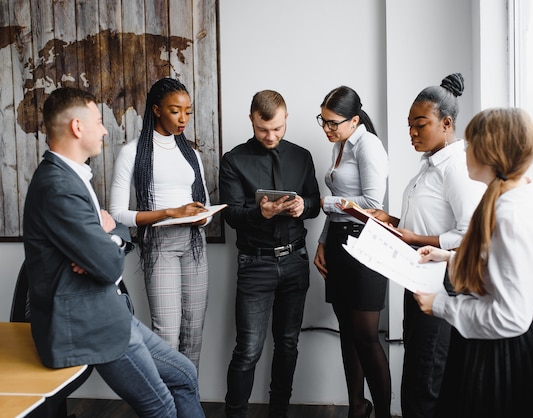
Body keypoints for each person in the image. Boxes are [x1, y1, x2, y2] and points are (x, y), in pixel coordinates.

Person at [22, 87, 204, 418]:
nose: (105, 129)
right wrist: (112, 241)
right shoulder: (58, 187)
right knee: (161, 405)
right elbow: (107, 265)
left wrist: (109, 236)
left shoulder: (72, 177)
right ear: (78, 127)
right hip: (91, 325)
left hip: (112, 313)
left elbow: (113, 225)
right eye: (99, 121)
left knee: (185, 376)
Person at [414, 107, 533, 418]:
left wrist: (441, 306)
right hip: (488, 344)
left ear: (490, 152)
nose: (464, 150)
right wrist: (450, 257)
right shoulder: (507, 196)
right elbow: (499, 266)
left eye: (470, 144)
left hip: (502, 354)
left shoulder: (511, 215)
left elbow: (511, 317)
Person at [368, 73, 485, 418]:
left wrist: (416, 238)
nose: (412, 133)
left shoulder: (457, 170)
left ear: (447, 124)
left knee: (426, 377)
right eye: (409, 126)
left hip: (444, 284)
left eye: (420, 125)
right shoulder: (429, 166)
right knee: (419, 370)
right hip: (419, 279)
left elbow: (469, 235)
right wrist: (390, 221)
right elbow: (428, 221)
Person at [219, 90, 321, 418]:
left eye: (277, 128)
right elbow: (231, 214)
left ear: (286, 118)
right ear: (251, 119)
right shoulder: (233, 160)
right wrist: (259, 214)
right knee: (248, 350)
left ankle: (279, 412)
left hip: (296, 261)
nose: (271, 136)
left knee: (288, 343)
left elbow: (316, 203)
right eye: (264, 129)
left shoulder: (302, 157)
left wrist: (304, 206)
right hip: (255, 264)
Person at [110, 77, 211, 369]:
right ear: (156, 110)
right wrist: (170, 213)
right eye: (175, 110)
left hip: (194, 244)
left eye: (188, 111)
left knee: (193, 333)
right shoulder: (132, 152)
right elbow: (118, 214)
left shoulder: (191, 154)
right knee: (167, 334)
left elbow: (200, 204)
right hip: (160, 245)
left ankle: (188, 405)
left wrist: (201, 217)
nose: (183, 118)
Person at [313, 86, 391, 418]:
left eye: (332, 122)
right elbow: (340, 207)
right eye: (323, 121)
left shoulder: (369, 145)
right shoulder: (340, 145)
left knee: (366, 336)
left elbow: (374, 204)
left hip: (367, 243)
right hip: (340, 241)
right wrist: (322, 241)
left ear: (354, 119)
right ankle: (357, 407)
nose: (326, 129)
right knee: (348, 333)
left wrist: (325, 204)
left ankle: (384, 413)